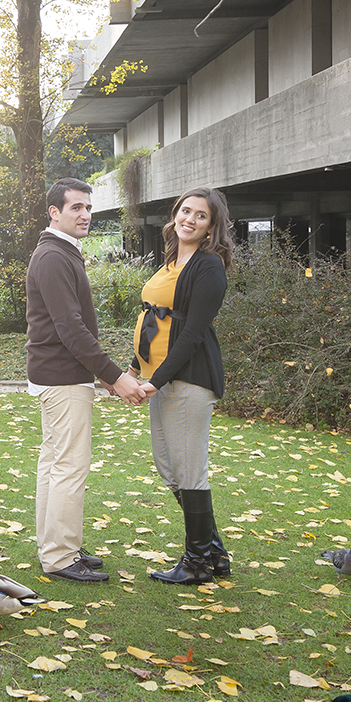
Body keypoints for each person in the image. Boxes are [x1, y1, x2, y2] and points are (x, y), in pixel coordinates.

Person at [123, 187, 235, 585]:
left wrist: (156, 380)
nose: (189, 219)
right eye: (185, 211)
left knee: (189, 471)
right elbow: (156, 319)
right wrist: (137, 367)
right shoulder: (172, 258)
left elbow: (190, 334)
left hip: (187, 379)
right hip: (160, 377)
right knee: (169, 468)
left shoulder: (209, 267)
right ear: (176, 214)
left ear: (211, 227)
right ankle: (215, 553)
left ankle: (197, 564)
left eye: (200, 215)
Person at [25, 177, 136, 583]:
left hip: (59, 373)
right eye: (76, 208)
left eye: (88, 208)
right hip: (62, 375)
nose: (85, 215)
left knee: (55, 463)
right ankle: (59, 557)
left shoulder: (60, 252)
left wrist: (103, 376)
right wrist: (114, 377)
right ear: (55, 212)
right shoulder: (53, 256)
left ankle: (58, 546)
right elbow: (70, 329)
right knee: (69, 465)